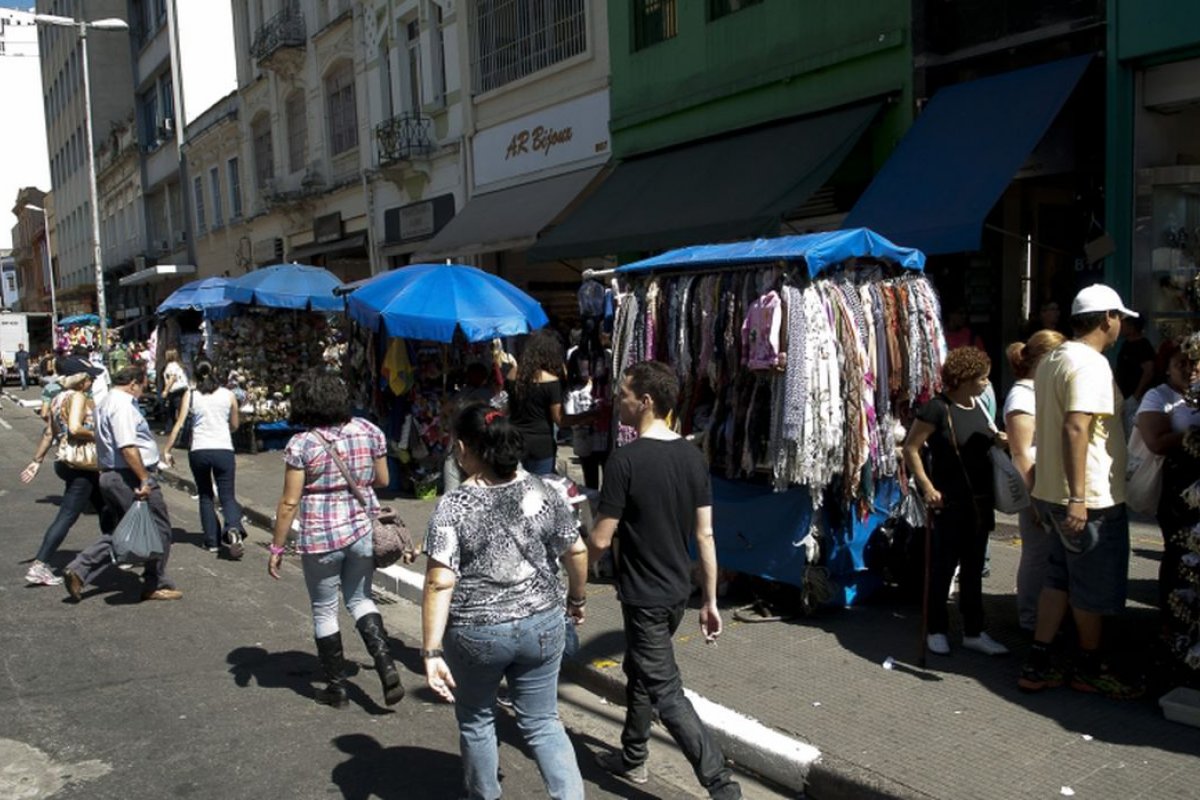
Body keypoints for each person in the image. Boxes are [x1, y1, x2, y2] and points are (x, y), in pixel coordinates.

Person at [588, 361, 742, 800]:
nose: (618, 400)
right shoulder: (692, 456)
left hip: (644, 597)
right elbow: (705, 534)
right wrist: (708, 599)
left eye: (623, 393)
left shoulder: (625, 460)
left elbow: (601, 537)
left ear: (646, 401)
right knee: (639, 672)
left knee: (666, 691)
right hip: (677, 592)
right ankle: (633, 757)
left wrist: (572, 561)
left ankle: (722, 786)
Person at [422, 403, 588, 800]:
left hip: (477, 633)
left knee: (478, 719)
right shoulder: (544, 490)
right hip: (542, 624)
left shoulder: (452, 506)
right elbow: (577, 551)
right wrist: (576, 600)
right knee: (544, 722)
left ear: (463, 449)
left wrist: (430, 651)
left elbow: (440, 582)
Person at [1019, 283, 1142, 698]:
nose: (1121, 325)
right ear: (1108, 318)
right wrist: (1078, 498)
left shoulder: (1054, 358)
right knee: (1091, 587)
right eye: (1120, 318)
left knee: (1059, 578)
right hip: (1088, 499)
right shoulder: (1090, 363)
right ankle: (1090, 667)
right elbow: (1076, 426)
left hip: (1055, 492)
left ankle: (1038, 660)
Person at [267, 370, 404, 708]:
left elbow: (288, 503)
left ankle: (336, 688)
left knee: (324, 609)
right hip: (361, 531)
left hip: (321, 536)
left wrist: (277, 547)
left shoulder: (302, 444)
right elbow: (383, 479)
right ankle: (386, 665)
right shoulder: (368, 430)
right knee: (360, 599)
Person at [903, 347, 1010, 657]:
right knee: (943, 569)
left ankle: (974, 631)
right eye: (983, 378)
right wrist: (926, 487)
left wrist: (999, 440)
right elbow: (911, 448)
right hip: (949, 501)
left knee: (974, 569)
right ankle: (937, 629)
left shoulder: (980, 405)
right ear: (964, 379)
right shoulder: (936, 409)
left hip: (980, 500)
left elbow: (985, 441)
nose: (987, 383)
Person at [62, 366, 181, 602]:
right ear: (134, 383)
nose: (143, 390)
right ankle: (153, 583)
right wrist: (144, 479)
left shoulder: (105, 402)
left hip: (111, 474)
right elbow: (127, 446)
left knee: (125, 531)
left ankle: (80, 569)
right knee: (160, 529)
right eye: (143, 384)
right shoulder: (122, 406)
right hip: (128, 475)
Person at [19, 360, 114, 586]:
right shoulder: (79, 397)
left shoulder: (57, 398)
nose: (92, 382)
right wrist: (101, 435)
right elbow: (74, 428)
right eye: (89, 377)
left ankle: (115, 549)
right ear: (80, 379)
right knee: (68, 515)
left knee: (104, 506)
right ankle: (40, 564)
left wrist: (37, 461)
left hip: (69, 462)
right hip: (81, 464)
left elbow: (48, 433)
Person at [1004, 329, 1068, 632]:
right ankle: (1029, 617)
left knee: (1049, 555)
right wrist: (1035, 498)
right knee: (1037, 555)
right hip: (1036, 488)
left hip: (1050, 486)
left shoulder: (1042, 391)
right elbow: (1021, 453)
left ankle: (1041, 614)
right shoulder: (1022, 396)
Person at [1135, 343, 1200, 619]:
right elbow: (1156, 442)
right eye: (1181, 363)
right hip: (1177, 487)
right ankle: (1172, 621)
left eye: (1195, 362)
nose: (1190, 369)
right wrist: (1192, 435)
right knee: (1178, 550)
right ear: (1168, 367)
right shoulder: (1158, 396)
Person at [162, 360, 245, 557]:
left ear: (196, 376)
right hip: (223, 449)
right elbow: (235, 424)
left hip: (198, 450)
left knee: (205, 495)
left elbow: (180, 424)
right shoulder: (228, 394)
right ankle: (233, 527)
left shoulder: (190, 395)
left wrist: (167, 449)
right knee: (227, 495)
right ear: (215, 372)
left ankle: (212, 541)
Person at [505, 329, 593, 476]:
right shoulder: (550, 381)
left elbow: (508, 408)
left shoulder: (513, 374)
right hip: (541, 445)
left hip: (514, 441)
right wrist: (588, 416)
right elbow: (560, 420)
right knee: (541, 491)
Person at [441, 362, 496, 495]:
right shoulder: (489, 395)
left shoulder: (465, 394)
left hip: (461, 445)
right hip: (478, 448)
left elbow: (446, 409)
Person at [1115, 316, 1156, 438]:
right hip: (1124, 398)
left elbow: (1149, 370)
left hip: (1135, 400)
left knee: (1133, 434)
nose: (1121, 327)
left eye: (1124, 324)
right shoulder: (1125, 344)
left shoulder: (1142, 345)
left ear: (1132, 326)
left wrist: (1136, 395)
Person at [160, 348, 188, 434]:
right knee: (176, 408)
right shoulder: (178, 365)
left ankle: (175, 428)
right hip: (182, 388)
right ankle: (172, 427)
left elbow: (172, 378)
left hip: (175, 390)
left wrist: (165, 390)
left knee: (173, 409)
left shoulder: (171, 366)